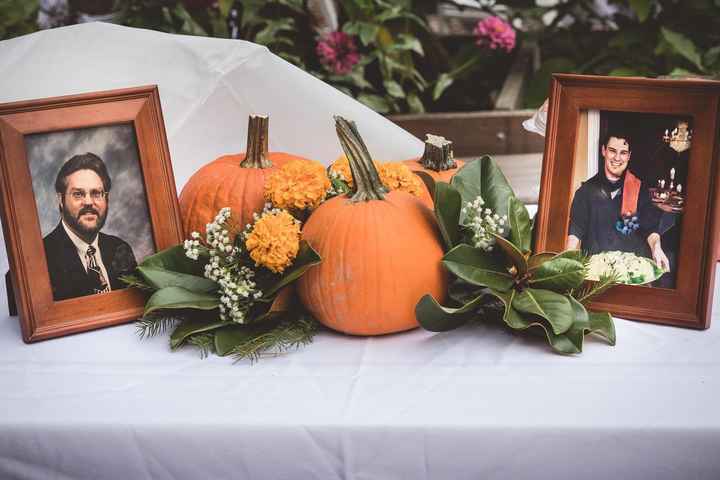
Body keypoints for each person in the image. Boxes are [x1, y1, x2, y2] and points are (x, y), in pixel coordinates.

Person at [566, 132, 670, 271]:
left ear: (629, 156)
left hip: (632, 272)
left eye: (623, 153)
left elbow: (651, 229)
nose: (617, 158)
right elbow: (575, 233)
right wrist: (567, 262)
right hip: (595, 273)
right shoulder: (585, 192)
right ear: (603, 151)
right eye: (612, 151)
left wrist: (657, 248)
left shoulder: (640, 190)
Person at [43, 152, 137, 301]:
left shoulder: (120, 248)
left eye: (96, 193)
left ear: (107, 199)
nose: (88, 202)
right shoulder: (40, 260)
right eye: (78, 194)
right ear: (61, 199)